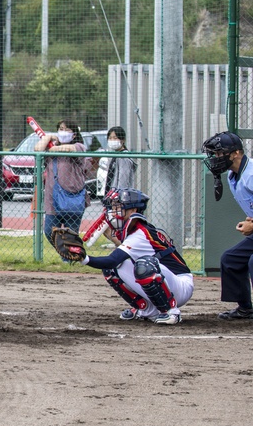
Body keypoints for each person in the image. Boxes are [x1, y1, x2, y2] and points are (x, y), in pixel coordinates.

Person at [79, 188, 192, 324]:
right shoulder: (135, 230)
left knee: (143, 266)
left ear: (133, 211)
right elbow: (118, 258)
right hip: (169, 281)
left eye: (118, 208)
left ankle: (170, 312)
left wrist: (83, 258)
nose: (113, 213)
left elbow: (112, 260)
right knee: (113, 268)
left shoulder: (140, 233)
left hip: (181, 284)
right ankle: (146, 309)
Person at [202, 132, 253, 320]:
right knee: (231, 259)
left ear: (236, 153)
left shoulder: (251, 174)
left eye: (219, 153)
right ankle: (245, 309)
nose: (216, 158)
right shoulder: (234, 175)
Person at [35, 119, 91, 256]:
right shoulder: (51, 147)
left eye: (67, 129)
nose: (63, 132)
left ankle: (73, 258)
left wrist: (54, 148)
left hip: (72, 198)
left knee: (70, 234)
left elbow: (70, 149)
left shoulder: (79, 147)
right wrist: (47, 137)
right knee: (49, 231)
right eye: (60, 128)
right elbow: (37, 149)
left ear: (74, 134)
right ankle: (66, 255)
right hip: (52, 199)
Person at [96, 126, 137, 196]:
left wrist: (118, 197)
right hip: (112, 195)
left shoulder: (124, 157)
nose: (112, 140)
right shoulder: (116, 155)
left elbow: (123, 181)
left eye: (115, 138)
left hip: (118, 198)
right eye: (110, 138)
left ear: (123, 140)